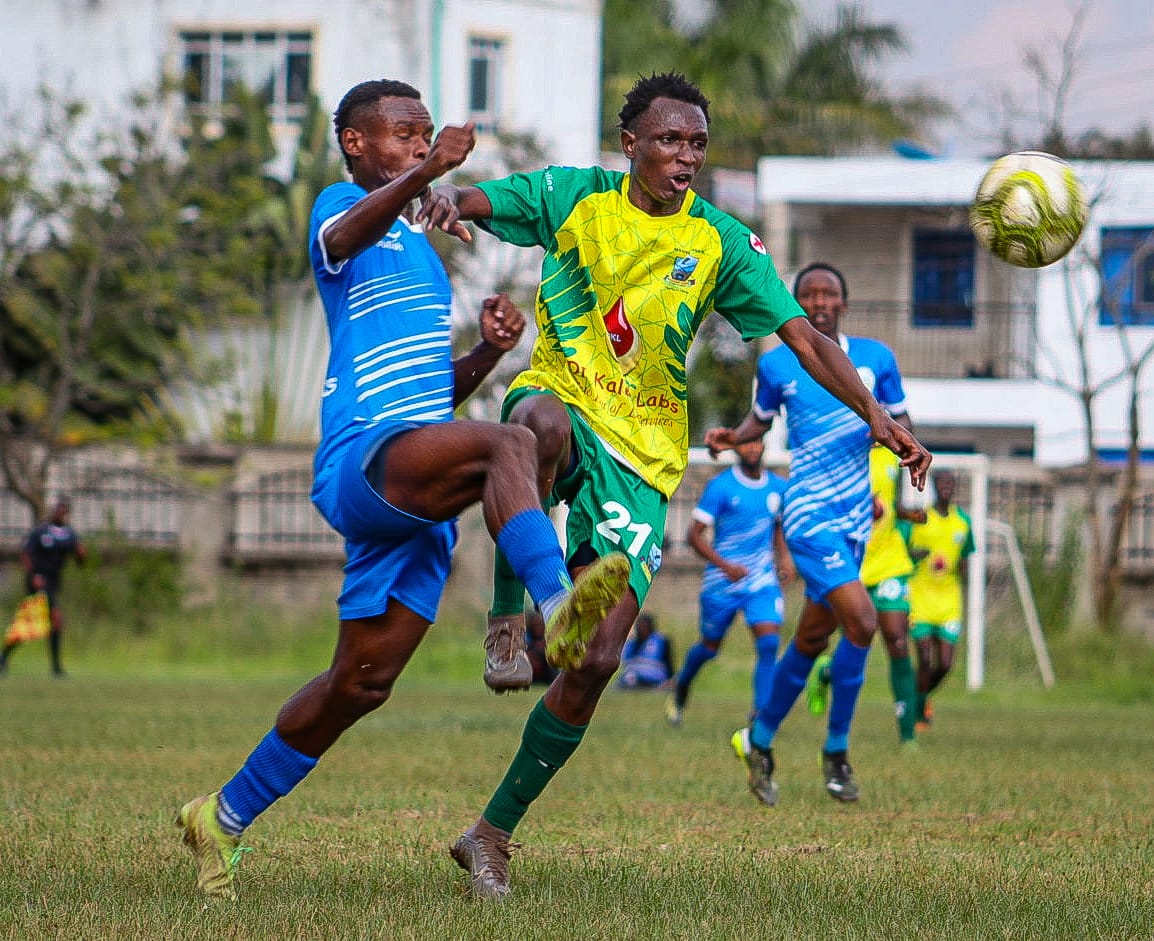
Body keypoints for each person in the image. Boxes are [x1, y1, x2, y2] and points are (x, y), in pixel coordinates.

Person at [420, 73, 929, 897]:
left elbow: (802, 338)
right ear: (630, 145)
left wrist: (874, 410)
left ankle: (490, 833)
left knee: (597, 659)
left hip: (645, 457)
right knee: (529, 433)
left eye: (695, 143)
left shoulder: (724, 243)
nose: (684, 157)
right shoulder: (575, 197)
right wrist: (444, 201)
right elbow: (481, 202)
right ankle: (509, 620)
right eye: (668, 140)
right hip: (561, 396)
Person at [174, 79, 631, 902]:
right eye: (403, 134)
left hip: (409, 483)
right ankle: (549, 611)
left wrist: (488, 354)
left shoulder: (422, 252)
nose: (420, 144)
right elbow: (351, 228)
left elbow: (428, 405)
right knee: (513, 441)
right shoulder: (338, 210)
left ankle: (222, 816)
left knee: (360, 684)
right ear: (356, 142)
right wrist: (426, 179)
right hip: (362, 459)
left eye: (426, 135)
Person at [706, 261, 924, 808]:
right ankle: (836, 753)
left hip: (857, 518)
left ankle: (756, 740)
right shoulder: (779, 362)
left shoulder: (876, 360)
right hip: (807, 514)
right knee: (863, 621)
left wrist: (911, 462)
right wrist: (733, 436)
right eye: (809, 294)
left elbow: (899, 424)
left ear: (844, 303)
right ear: (798, 305)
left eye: (829, 292)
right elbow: (760, 420)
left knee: (810, 639)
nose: (820, 300)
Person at [664, 437, 793, 727]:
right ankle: (681, 686)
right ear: (736, 448)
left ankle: (760, 714)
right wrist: (725, 566)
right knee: (709, 647)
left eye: (755, 443)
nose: (750, 449)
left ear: (763, 445)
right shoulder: (721, 487)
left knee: (770, 642)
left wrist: (784, 559)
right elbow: (693, 535)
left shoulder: (777, 488)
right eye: (744, 444)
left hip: (761, 579)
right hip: (722, 581)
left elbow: (777, 527)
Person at [806, 444, 926, 747]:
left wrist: (906, 514)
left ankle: (908, 734)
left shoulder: (890, 455)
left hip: (890, 562)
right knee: (857, 639)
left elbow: (889, 502)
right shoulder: (839, 451)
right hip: (851, 560)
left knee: (898, 640)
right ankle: (827, 672)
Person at [904, 469, 975, 728]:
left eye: (951, 483)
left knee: (944, 663)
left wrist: (962, 570)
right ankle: (919, 709)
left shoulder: (963, 522)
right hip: (921, 598)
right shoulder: (920, 518)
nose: (947, 487)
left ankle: (920, 697)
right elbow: (903, 548)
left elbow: (965, 555)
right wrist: (914, 555)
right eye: (942, 483)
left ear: (955, 487)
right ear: (934, 486)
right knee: (923, 656)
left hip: (948, 601)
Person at [0, 496, 86, 678]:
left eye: (64, 509)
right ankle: (56, 669)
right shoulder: (41, 531)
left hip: (53, 584)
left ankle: (4, 658)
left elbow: (79, 560)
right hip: (38, 582)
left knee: (29, 622)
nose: (60, 511)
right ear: (53, 510)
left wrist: (81, 555)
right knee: (55, 619)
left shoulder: (69, 534)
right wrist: (33, 576)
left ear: (67, 512)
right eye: (58, 508)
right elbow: (26, 554)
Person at [618, 612, 675, 689]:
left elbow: (668, 662)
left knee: (632, 679)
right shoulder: (632, 643)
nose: (640, 628)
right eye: (639, 625)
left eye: (643, 625)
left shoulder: (661, 640)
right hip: (634, 673)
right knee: (629, 678)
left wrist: (670, 677)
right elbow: (626, 662)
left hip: (655, 674)